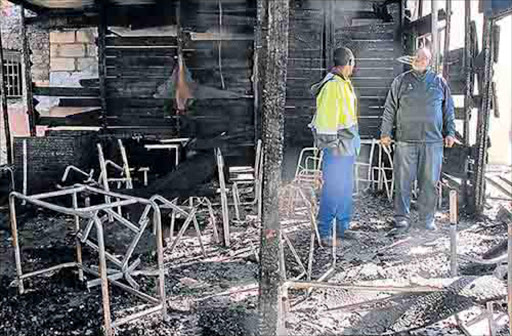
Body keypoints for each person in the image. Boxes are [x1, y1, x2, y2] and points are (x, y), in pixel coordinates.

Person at [380, 48, 455, 231]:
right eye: (417, 56)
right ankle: (401, 218)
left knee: (429, 182)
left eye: (424, 57)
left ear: (429, 61)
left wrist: (450, 132)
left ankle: (427, 219)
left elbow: (448, 111)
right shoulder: (401, 81)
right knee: (403, 180)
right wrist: (385, 133)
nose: (420, 59)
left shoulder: (439, 82)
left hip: (433, 142)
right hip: (405, 141)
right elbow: (390, 108)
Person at [310, 47, 360, 246]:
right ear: (348, 62)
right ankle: (324, 231)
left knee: (346, 187)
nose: (353, 68)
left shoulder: (343, 83)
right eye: (352, 64)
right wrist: (333, 146)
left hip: (346, 146)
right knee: (333, 188)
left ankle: (343, 226)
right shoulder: (332, 85)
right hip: (337, 147)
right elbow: (326, 120)